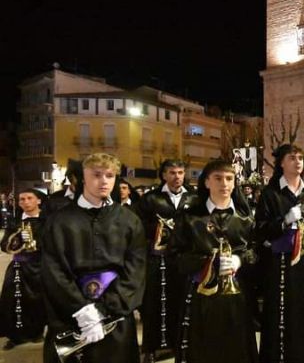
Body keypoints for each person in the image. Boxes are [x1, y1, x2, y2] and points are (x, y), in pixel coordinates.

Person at [41, 153, 146, 363]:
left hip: (115, 318)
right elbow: (53, 270)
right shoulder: (59, 221)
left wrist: (104, 309)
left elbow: (135, 271)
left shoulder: (129, 220)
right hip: (70, 317)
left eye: (110, 175)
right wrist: (81, 310)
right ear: (83, 177)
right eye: (97, 174)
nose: (104, 181)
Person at [171, 160, 258, 363]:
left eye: (229, 179)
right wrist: (208, 263)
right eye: (218, 178)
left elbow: (255, 252)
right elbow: (175, 256)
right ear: (207, 182)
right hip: (201, 297)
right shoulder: (190, 218)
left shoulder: (245, 219)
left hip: (237, 297)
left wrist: (240, 260)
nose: (224, 184)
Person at [255, 144, 304, 363]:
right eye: (292, 158)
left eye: (300, 158)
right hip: (282, 264)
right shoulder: (271, 194)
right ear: (281, 163)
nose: (298, 162)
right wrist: (285, 221)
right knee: (284, 312)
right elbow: (260, 229)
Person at [134, 159, 199, 362]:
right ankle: (153, 347)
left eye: (180, 172)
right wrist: (158, 229)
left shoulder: (194, 198)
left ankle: (182, 344)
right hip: (159, 260)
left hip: (184, 260)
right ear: (163, 175)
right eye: (172, 172)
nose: (177, 176)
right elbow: (138, 225)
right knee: (155, 304)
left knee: (183, 302)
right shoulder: (151, 199)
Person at [0, 189, 47, 350]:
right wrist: (15, 242)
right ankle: (15, 336)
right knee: (13, 301)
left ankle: (36, 333)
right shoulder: (15, 222)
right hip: (19, 266)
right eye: (22, 199)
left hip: (40, 267)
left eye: (29, 198)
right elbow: (4, 245)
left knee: (37, 300)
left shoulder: (47, 221)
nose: (26, 202)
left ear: (38, 201)